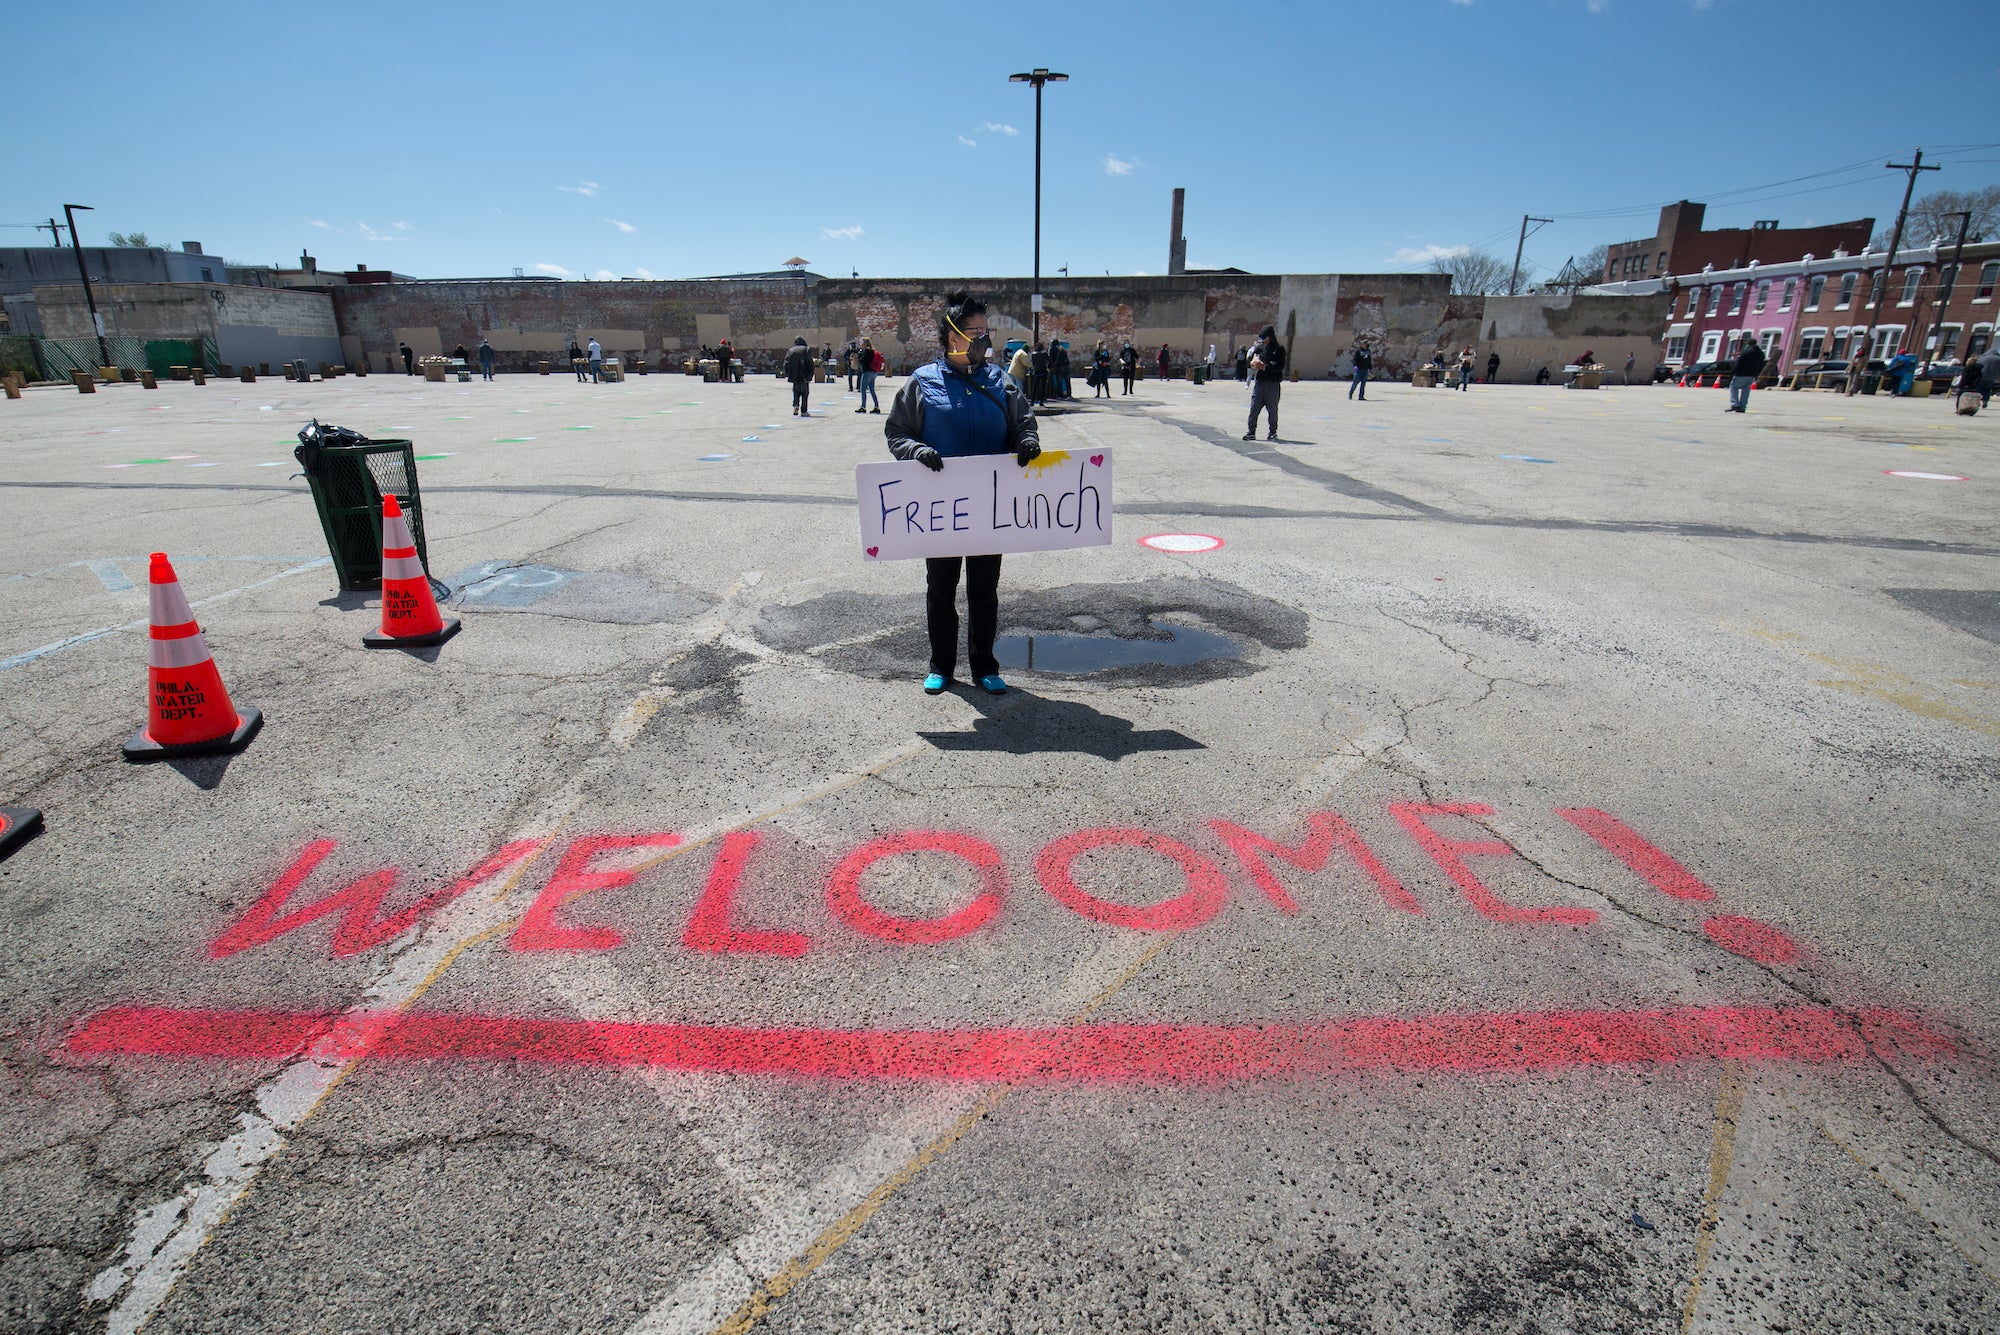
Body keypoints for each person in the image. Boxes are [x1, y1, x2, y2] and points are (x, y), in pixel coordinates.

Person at [883, 292, 1040, 697]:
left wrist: (1026, 440)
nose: (984, 340)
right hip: (941, 509)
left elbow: (1024, 422)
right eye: (976, 332)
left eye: (986, 332)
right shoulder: (922, 382)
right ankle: (941, 665)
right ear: (952, 335)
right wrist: (916, 450)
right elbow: (897, 432)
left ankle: (985, 666)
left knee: (984, 591)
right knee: (941, 589)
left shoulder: (1000, 380)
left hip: (990, 507)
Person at [1244, 325, 1285, 440]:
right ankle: (1251, 431)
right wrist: (1252, 363)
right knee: (1254, 407)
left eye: (1265, 337)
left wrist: (1265, 367)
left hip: (1273, 383)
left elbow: (1280, 367)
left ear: (1270, 336)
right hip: (1260, 382)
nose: (1263, 340)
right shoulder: (1260, 347)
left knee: (1272, 409)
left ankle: (1272, 432)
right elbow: (1250, 360)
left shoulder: (1279, 349)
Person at [1725, 334, 1765, 413]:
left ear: (1748, 344)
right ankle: (1743, 407)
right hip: (1752, 374)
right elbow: (1762, 364)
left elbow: (1739, 362)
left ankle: (1735, 404)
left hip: (1742, 373)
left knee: (1733, 387)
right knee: (1746, 390)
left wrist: (1732, 372)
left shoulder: (1746, 352)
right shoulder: (1760, 353)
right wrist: (1757, 373)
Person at [783, 336, 814, 416]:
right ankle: (804, 411)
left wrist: (788, 374)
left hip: (794, 376)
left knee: (796, 391)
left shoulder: (791, 350)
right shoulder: (806, 349)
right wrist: (810, 375)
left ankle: (796, 405)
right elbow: (810, 362)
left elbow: (786, 363)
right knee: (804, 393)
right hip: (804, 375)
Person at [855, 337, 882, 413]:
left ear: (865, 343)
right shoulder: (872, 351)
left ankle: (863, 407)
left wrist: (859, 357)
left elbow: (864, 361)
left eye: (861, 343)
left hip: (867, 372)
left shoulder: (867, 351)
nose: (860, 344)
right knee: (872, 390)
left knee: (863, 389)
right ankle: (876, 407)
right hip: (873, 372)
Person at [1030, 341, 1050, 406]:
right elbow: (1049, 361)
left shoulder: (1033, 354)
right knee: (1043, 387)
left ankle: (1032, 401)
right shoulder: (1044, 353)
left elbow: (1033, 363)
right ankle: (1041, 401)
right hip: (1043, 371)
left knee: (1035, 387)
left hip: (1036, 371)